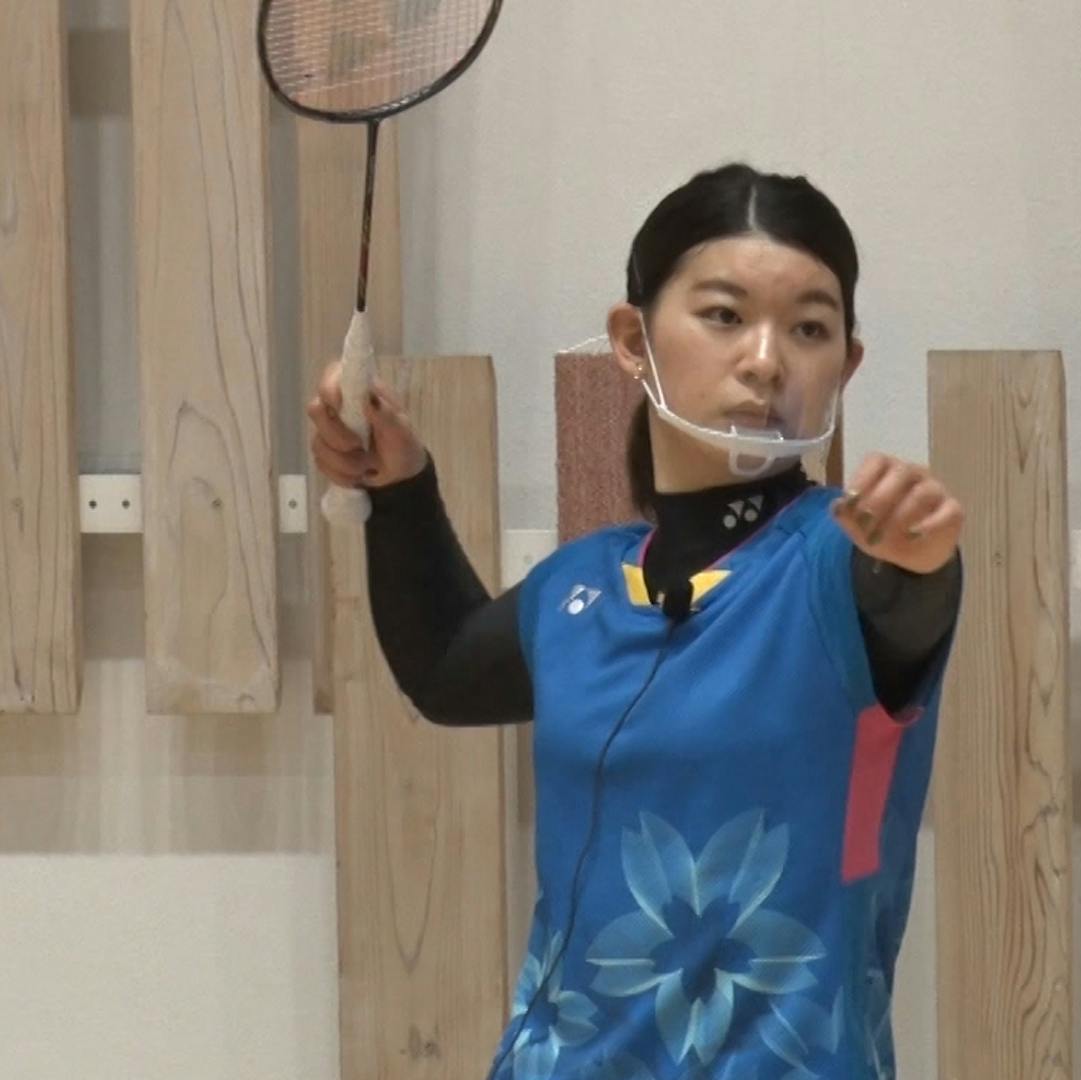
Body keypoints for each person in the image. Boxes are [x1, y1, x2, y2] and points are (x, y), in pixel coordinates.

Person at [307, 164, 964, 1080]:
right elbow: (447, 670)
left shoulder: (848, 564)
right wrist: (403, 486)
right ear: (631, 339)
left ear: (845, 366)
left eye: (809, 329)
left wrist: (925, 559)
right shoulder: (580, 584)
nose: (766, 360)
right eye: (724, 315)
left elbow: (910, 597)